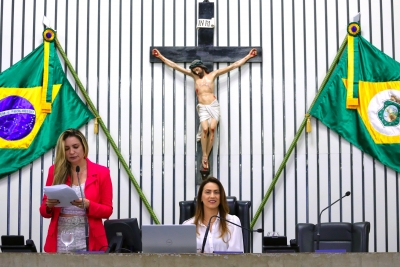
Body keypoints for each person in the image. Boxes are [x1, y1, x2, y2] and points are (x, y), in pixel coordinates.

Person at [152, 48, 257, 172]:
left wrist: (248, 56)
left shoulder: (213, 75)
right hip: (202, 107)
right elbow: (175, 66)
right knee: (205, 129)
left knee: (212, 129)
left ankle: (206, 156)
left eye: (197, 69)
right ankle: (204, 155)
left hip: (213, 105)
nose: (196, 71)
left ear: (202, 67)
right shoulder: (194, 77)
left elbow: (233, 66)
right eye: (194, 70)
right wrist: (160, 57)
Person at [39, 128, 113, 252]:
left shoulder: (102, 172)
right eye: (67, 149)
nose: (71, 152)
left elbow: (107, 211)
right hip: (62, 237)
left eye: (75, 146)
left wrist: (89, 205)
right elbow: (43, 211)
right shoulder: (55, 170)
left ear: (83, 146)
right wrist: (48, 206)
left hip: (90, 238)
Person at [182, 177, 243, 253]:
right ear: (201, 197)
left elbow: (236, 258)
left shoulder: (233, 222)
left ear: (221, 197)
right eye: (208, 192)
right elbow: (185, 258)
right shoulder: (188, 225)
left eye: (216, 192)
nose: (212, 196)